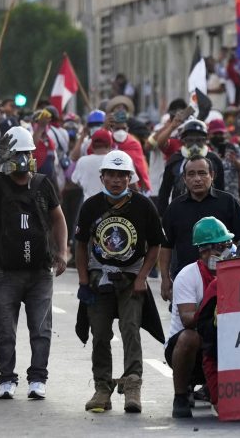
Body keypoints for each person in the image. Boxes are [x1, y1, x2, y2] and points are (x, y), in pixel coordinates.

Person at [0, 127, 68, 401]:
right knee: (5, 330)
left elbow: (58, 218)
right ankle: (6, 380)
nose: (23, 159)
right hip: (6, 272)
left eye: (26, 153)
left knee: (41, 330)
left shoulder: (43, 183)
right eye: (16, 154)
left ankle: (37, 379)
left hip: (40, 272)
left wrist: (62, 252)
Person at [75, 151, 164, 413]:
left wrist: (142, 276)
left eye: (122, 175)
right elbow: (80, 245)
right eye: (111, 175)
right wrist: (83, 280)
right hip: (98, 279)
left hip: (131, 278)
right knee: (100, 334)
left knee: (130, 329)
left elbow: (155, 244)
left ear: (130, 178)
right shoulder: (90, 206)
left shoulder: (144, 205)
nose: (116, 180)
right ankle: (102, 388)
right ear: (102, 177)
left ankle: (132, 385)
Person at [167, 216, 233, 418]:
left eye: (227, 245)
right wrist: (210, 303)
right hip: (191, 349)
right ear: (204, 251)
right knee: (189, 337)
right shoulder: (188, 276)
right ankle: (180, 395)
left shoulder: (234, 272)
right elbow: (187, 320)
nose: (224, 252)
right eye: (219, 247)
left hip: (223, 344)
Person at [159, 156, 240, 301]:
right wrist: (165, 279)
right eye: (191, 174)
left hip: (222, 279)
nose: (197, 179)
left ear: (212, 175)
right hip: (185, 280)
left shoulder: (228, 202)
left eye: (202, 173)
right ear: (184, 178)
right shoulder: (174, 208)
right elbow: (165, 246)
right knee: (186, 314)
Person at [156, 119, 225, 216]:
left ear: (205, 141)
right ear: (183, 141)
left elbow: (220, 189)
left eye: (199, 140)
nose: (194, 144)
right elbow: (164, 191)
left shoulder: (214, 160)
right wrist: (162, 215)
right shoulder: (175, 160)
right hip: (181, 212)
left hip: (209, 211)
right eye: (190, 140)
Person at [207, 119, 240, 208]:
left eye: (221, 133)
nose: (218, 136)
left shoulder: (233, 147)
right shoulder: (206, 150)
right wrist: (215, 160)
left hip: (233, 198)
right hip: (212, 200)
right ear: (209, 134)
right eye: (215, 134)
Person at [70, 129, 113, 202]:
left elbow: (75, 181)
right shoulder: (114, 160)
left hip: (88, 204)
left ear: (92, 146)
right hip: (111, 204)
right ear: (109, 145)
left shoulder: (82, 161)